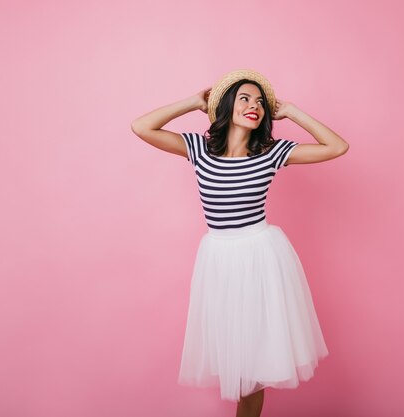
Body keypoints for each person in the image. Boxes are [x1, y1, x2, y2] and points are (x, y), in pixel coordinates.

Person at [131, 69, 348, 417]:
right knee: (238, 364)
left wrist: (291, 111)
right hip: (220, 261)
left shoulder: (271, 152)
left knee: (253, 374)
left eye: (261, 101)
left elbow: (337, 147)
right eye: (245, 98)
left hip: (260, 259)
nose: (255, 106)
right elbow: (141, 127)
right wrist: (193, 102)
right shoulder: (199, 150)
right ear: (228, 105)